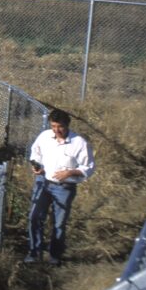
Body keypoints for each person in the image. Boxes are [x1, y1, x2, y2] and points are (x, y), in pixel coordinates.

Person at [25, 110, 95, 266]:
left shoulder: (79, 143)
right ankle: (34, 253)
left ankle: (54, 255)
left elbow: (89, 167)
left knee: (59, 223)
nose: (56, 130)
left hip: (65, 187)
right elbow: (35, 153)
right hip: (43, 183)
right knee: (35, 217)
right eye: (53, 126)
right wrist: (38, 167)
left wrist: (70, 172)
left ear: (67, 125)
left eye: (60, 127)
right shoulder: (44, 137)